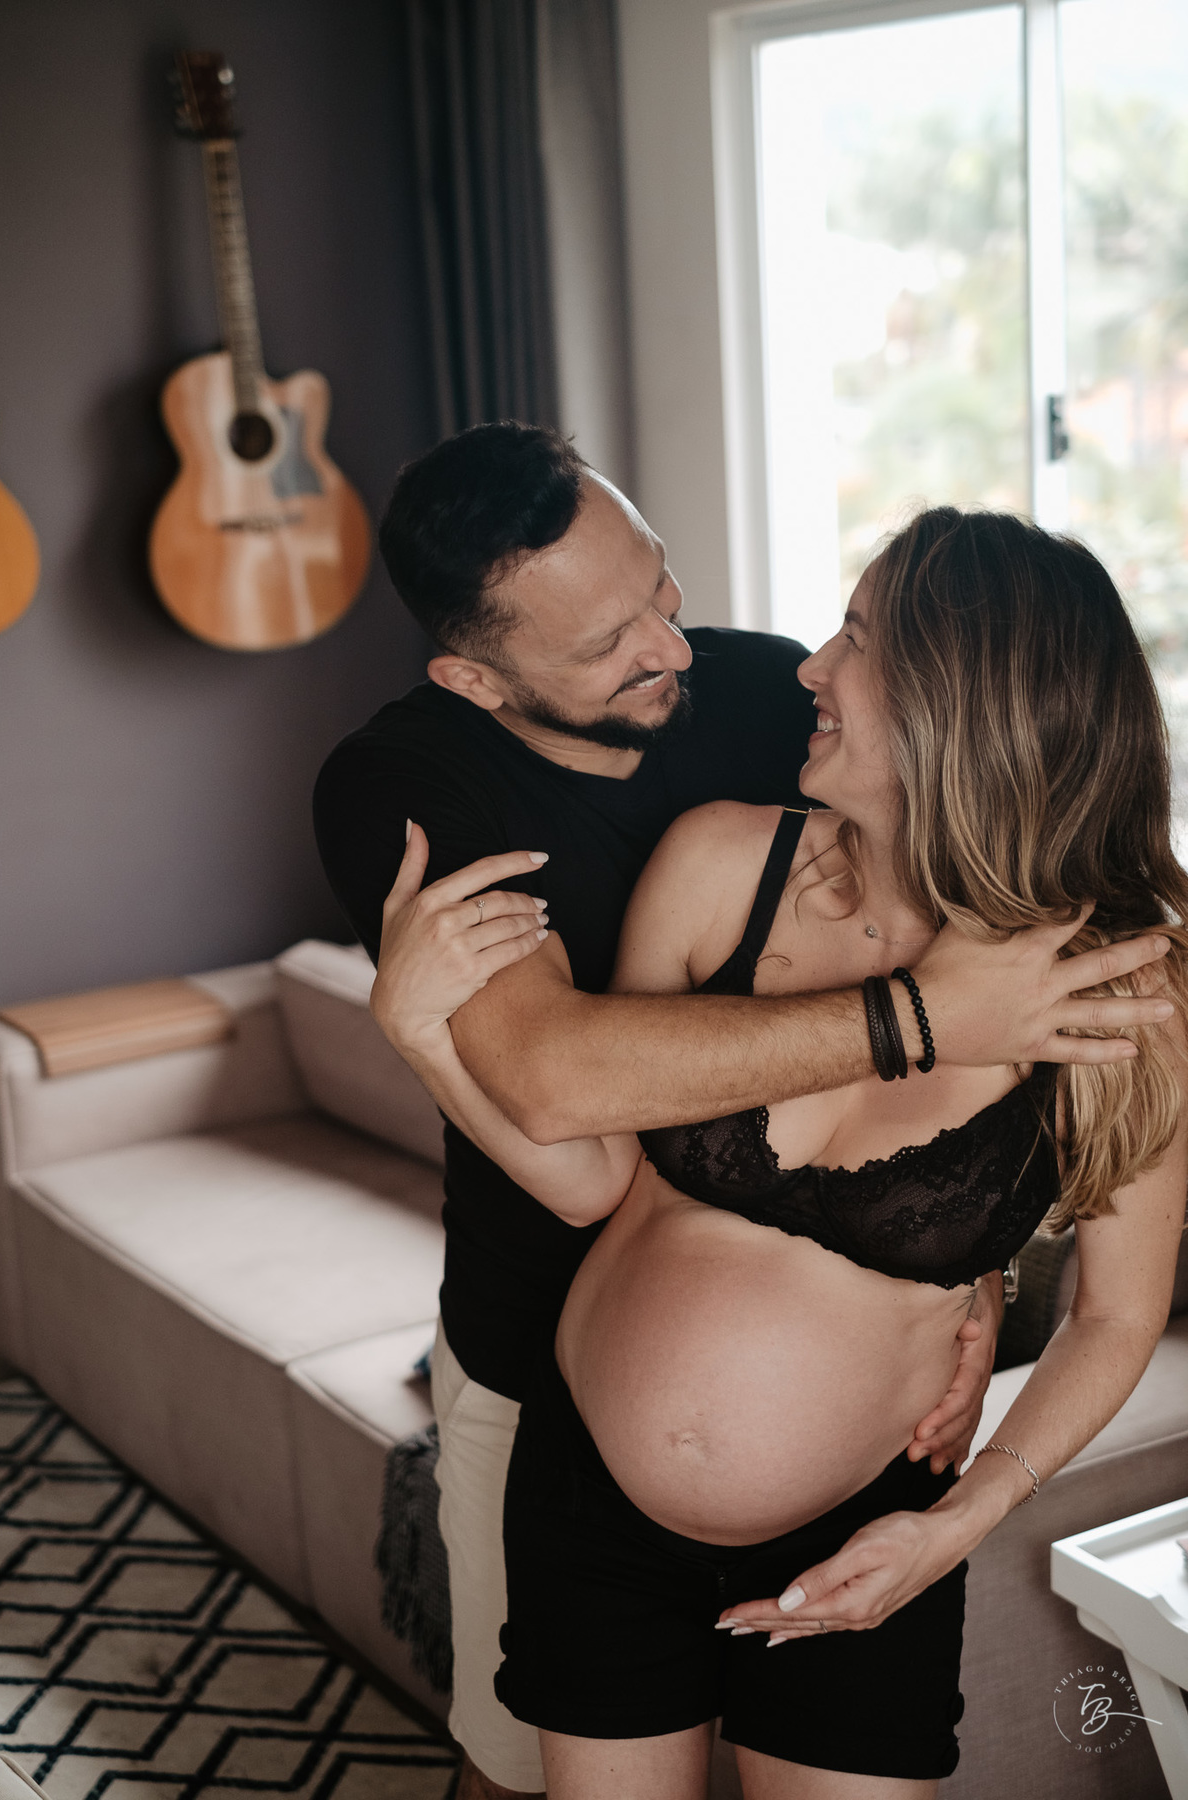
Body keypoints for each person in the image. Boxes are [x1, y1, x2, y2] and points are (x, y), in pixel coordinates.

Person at [314, 427, 1170, 1800]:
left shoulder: (772, 708)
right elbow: (578, 1132)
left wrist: (976, 1295)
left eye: (661, 587)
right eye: (612, 640)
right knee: (503, 1764)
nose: (692, 646)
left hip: (856, 1510)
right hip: (550, 1394)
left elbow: (1108, 1293)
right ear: (480, 676)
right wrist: (416, 1029)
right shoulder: (433, 790)